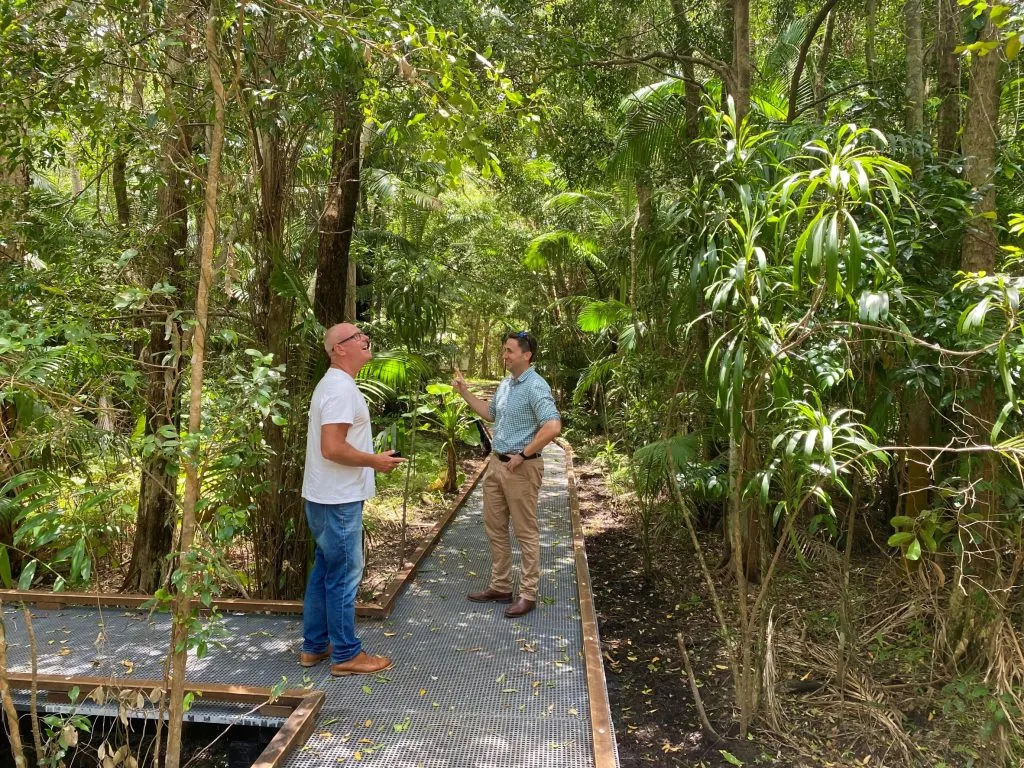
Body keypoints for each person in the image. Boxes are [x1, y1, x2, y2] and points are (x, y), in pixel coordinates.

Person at [299, 322, 405, 676]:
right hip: (337, 499)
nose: (364, 338)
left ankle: (315, 646)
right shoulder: (340, 389)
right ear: (338, 349)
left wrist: (372, 457)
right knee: (344, 573)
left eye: (363, 333)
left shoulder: (335, 386)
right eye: (355, 336)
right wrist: (375, 461)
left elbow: (336, 443)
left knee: (326, 569)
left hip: (323, 495)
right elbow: (332, 448)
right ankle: (346, 653)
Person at [452, 331, 561, 617]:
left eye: (510, 351)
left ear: (527, 355)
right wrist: (464, 391)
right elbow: (490, 414)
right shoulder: (506, 384)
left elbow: (552, 427)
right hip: (496, 465)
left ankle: (528, 593)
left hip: (522, 468)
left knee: (525, 532)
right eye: (504, 350)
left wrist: (524, 454)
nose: (505, 355)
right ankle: (501, 585)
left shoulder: (536, 386)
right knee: (495, 528)